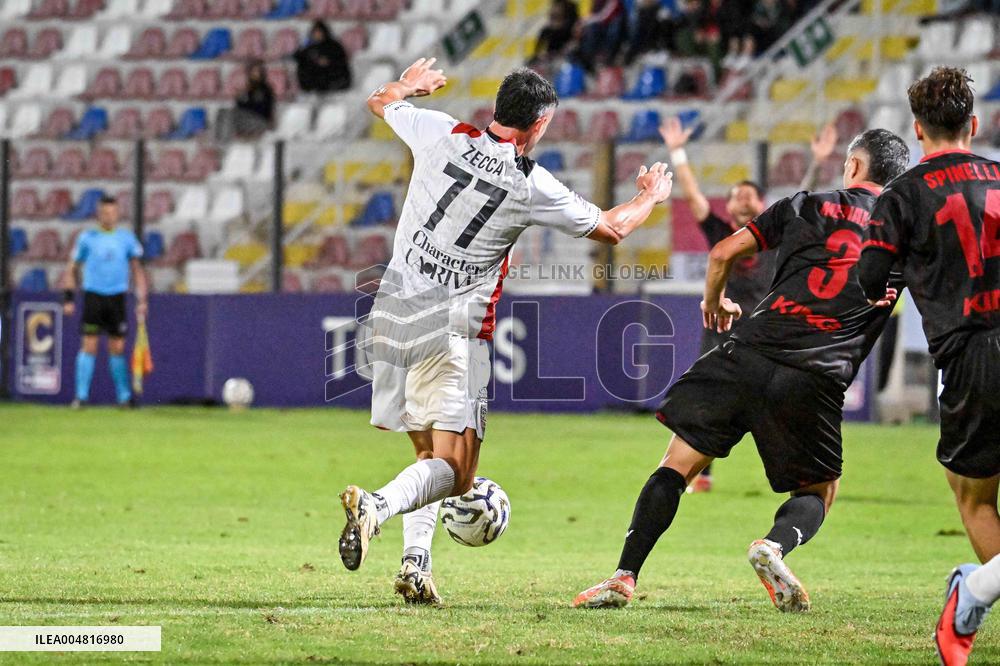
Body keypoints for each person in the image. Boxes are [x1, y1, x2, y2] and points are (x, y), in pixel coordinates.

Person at [337, 59, 673, 605]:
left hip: (393, 312)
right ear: (539, 125)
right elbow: (613, 228)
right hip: (455, 329)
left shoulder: (440, 131)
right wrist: (650, 196)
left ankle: (416, 564)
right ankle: (376, 506)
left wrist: (409, 86)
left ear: (497, 109)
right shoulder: (529, 183)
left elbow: (380, 100)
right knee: (457, 473)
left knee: (427, 453)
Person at [573, 128, 910, 611]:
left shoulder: (804, 204)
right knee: (819, 490)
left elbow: (721, 253)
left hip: (747, 351)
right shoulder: (905, 235)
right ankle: (773, 545)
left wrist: (714, 302)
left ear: (854, 166)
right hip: (814, 375)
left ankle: (623, 576)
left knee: (676, 466)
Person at [855, 67, 1000, 666]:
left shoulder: (903, 194)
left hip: (971, 355)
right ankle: (977, 590)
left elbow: (869, 279)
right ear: (975, 123)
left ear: (917, 129)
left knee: (975, 498)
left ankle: (975, 588)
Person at [659, 115, 772, 493]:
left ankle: (801, 477)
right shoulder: (722, 234)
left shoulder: (777, 235)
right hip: (721, 336)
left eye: (748, 195)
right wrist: (677, 153)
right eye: (736, 195)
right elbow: (693, 197)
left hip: (763, 338)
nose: (742, 200)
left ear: (762, 203)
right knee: (705, 404)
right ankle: (700, 475)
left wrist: (818, 162)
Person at [63, 195, 149, 408]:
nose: (108, 216)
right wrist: (68, 297)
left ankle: (124, 397)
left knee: (117, 348)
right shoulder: (87, 238)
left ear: (117, 214)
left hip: (117, 297)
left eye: (111, 212)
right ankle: (81, 397)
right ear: (98, 214)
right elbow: (72, 268)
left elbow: (137, 270)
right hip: (93, 296)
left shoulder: (126, 239)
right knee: (89, 345)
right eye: (104, 212)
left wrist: (142, 299)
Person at [293, 20, 351, 93]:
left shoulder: (334, 45)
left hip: (332, 77)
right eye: (315, 33)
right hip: (316, 78)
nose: (317, 35)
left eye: (319, 32)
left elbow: (342, 60)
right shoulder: (310, 45)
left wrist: (329, 61)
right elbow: (299, 57)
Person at [233, 60, 275, 137]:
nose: (255, 74)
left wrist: (245, 102)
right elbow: (239, 105)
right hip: (248, 117)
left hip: (260, 119)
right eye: (253, 71)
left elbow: (262, 108)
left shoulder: (265, 89)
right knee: (232, 113)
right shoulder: (248, 88)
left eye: (257, 71)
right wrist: (239, 97)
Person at [530, 0, 579, 65]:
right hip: (552, 55)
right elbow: (538, 49)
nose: (554, 10)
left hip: (568, 52)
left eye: (558, 7)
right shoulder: (547, 29)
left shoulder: (571, 16)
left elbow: (575, 34)